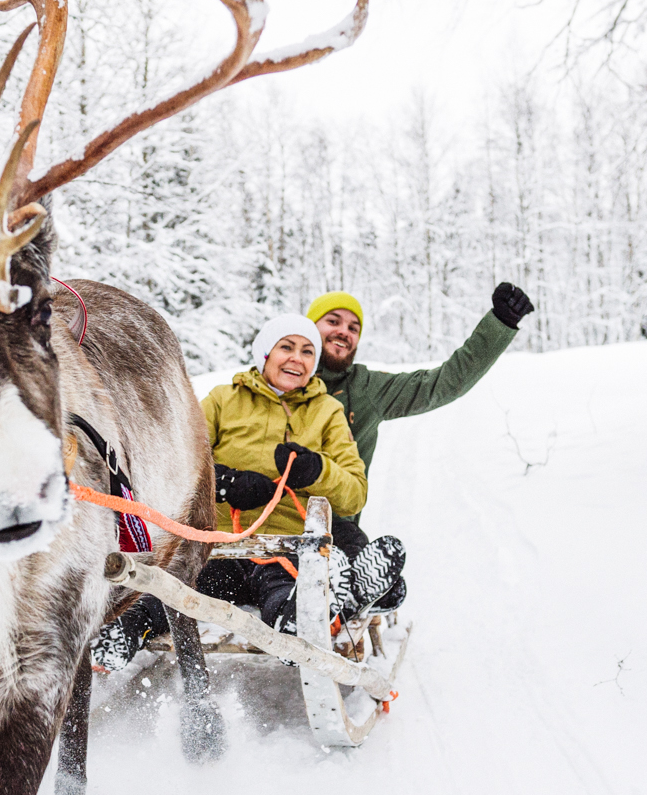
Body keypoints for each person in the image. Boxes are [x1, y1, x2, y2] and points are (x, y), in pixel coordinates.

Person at [92, 313, 396, 668]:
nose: (297, 358)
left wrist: (317, 469)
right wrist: (224, 483)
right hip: (218, 545)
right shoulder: (223, 399)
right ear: (266, 352)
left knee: (282, 591)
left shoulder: (327, 411)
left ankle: (301, 624)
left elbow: (355, 493)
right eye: (287, 347)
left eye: (307, 351)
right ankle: (122, 634)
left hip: (285, 543)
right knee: (176, 591)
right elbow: (177, 457)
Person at [302, 282, 533, 608]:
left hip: (336, 529)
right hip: (267, 518)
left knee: (375, 583)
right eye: (333, 321)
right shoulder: (281, 377)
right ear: (309, 326)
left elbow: (444, 382)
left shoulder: (366, 389)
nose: (344, 332)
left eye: (353, 327)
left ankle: (352, 591)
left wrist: (500, 322)